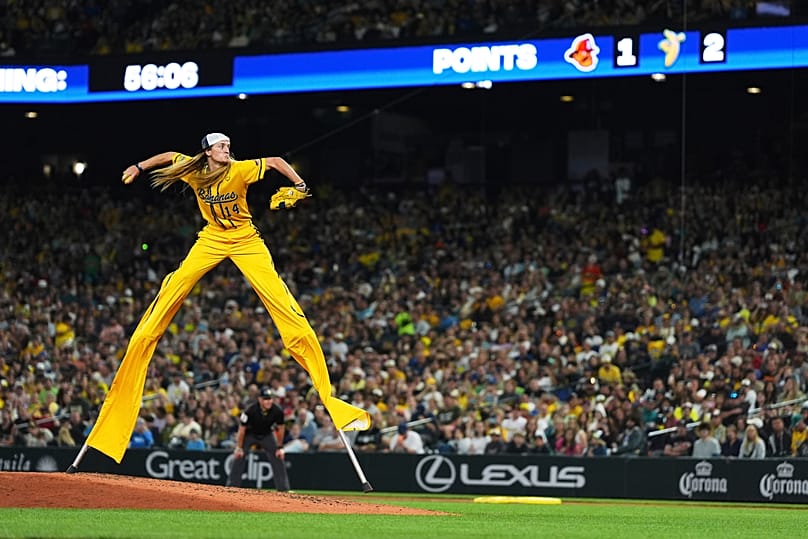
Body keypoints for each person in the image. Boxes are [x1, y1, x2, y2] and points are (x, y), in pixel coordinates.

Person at [83, 132, 370, 465]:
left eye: (228, 146)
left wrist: (301, 186)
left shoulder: (238, 169)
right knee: (175, 285)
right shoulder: (193, 169)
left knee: (279, 297)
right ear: (207, 152)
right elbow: (167, 155)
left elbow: (276, 161)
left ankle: (325, 388)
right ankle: (144, 337)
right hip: (211, 240)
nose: (227, 150)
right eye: (222, 146)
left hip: (246, 240)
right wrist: (137, 166)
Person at [228, 387, 290, 491]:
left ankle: (283, 489)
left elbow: (281, 428)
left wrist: (280, 447)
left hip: (267, 434)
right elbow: (242, 429)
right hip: (250, 434)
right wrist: (239, 447)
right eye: (266, 399)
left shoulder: (277, 411)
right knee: (239, 456)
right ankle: (231, 487)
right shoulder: (250, 410)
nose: (268, 401)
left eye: (270, 399)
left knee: (278, 457)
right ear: (260, 399)